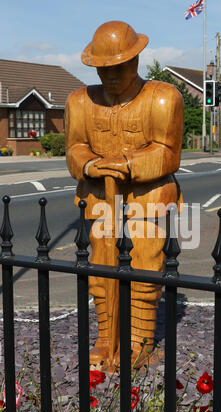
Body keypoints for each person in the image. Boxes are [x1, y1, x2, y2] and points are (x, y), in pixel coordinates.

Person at [65, 20, 184, 370]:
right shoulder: (79, 102)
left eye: (119, 66)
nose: (112, 75)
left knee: (146, 266)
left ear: (136, 60)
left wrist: (128, 164)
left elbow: (168, 150)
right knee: (101, 272)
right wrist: (89, 166)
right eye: (104, 68)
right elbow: (74, 148)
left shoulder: (163, 98)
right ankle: (106, 340)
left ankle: (139, 342)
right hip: (100, 199)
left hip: (149, 197)